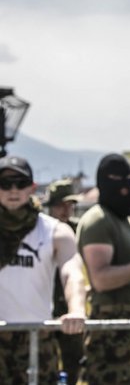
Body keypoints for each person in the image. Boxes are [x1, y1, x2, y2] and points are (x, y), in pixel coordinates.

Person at [0, 156, 86, 384]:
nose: (13, 190)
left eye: (20, 182)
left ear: (32, 187)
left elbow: (72, 272)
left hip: (37, 338)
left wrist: (76, 310)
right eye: (5, 183)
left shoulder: (55, 231)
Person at [77, 153, 130, 385]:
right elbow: (100, 279)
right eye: (115, 179)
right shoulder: (98, 221)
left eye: (128, 179)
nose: (124, 187)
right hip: (111, 326)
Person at [44, 179, 84, 385]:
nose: (66, 210)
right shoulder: (41, 230)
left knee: (73, 362)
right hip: (45, 304)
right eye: (60, 205)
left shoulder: (79, 230)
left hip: (70, 305)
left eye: (70, 205)